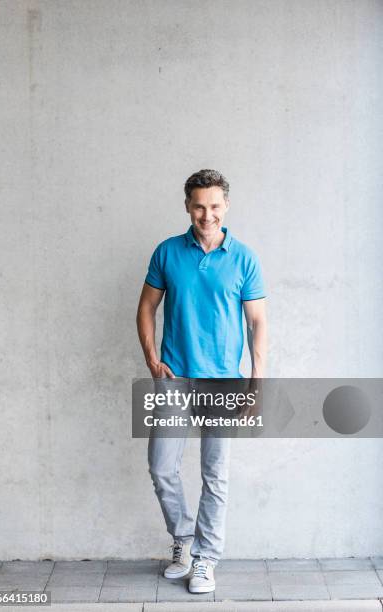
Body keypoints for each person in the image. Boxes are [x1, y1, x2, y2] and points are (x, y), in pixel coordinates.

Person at [136, 169, 267, 594]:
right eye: (198, 206)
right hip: (175, 378)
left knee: (215, 474)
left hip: (225, 382)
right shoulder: (168, 252)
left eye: (213, 206)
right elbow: (145, 308)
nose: (206, 214)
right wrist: (154, 360)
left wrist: (256, 380)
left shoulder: (244, 258)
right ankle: (184, 539)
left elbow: (257, 322)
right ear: (187, 207)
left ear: (225, 206)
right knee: (161, 467)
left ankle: (206, 559)